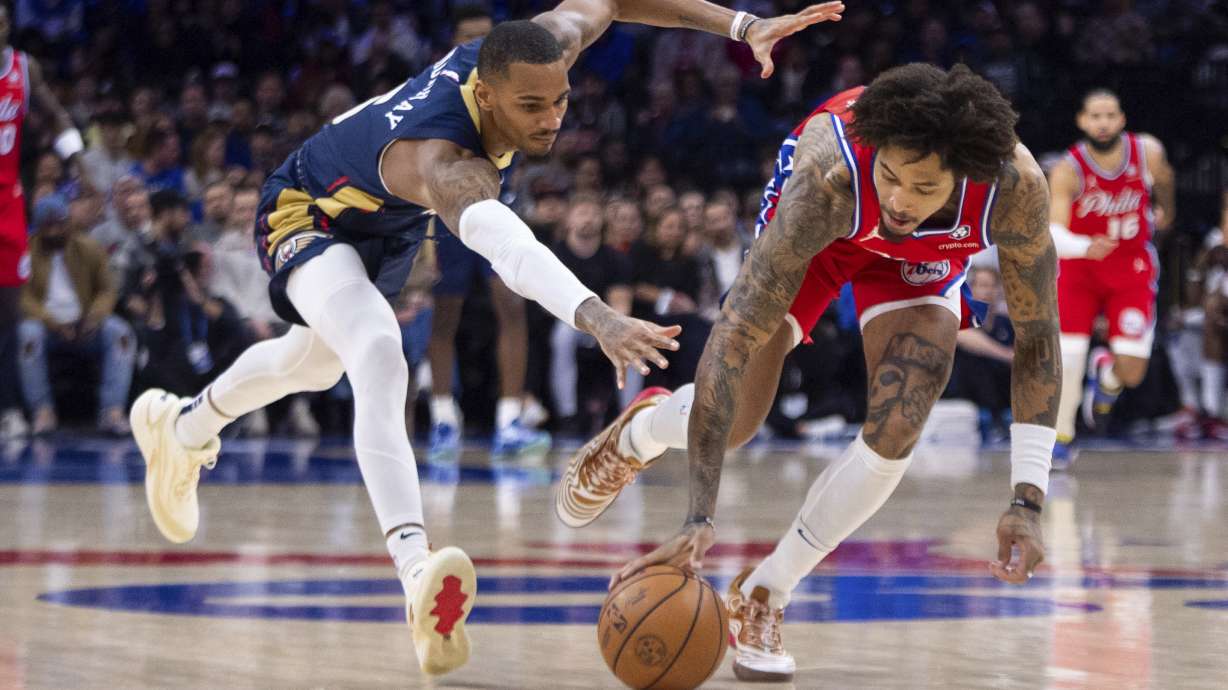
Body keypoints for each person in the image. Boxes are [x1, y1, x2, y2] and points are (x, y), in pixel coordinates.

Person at [126, 0, 845, 677]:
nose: (552, 118)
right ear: (488, 94)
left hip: (388, 222)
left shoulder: (540, 49)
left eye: (560, 100)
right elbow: (508, 246)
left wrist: (742, 23)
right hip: (310, 210)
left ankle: (183, 424)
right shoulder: (446, 158)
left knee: (314, 363)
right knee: (375, 350)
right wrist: (595, 315)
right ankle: (415, 573)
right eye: (531, 107)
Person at [557, 63, 1059, 682]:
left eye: (923, 187)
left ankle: (768, 591)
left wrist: (1027, 498)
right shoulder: (829, 177)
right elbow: (734, 336)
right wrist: (698, 519)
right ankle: (644, 429)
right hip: (827, 232)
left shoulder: (1016, 187)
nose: (901, 200)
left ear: (965, 174)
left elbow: (1038, 338)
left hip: (919, 262)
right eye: (893, 175)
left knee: (904, 416)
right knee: (739, 421)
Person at [425, 7, 547, 461]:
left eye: (484, 40)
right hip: (447, 210)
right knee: (444, 315)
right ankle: (442, 418)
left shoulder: (511, 88)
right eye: (469, 40)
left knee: (513, 307)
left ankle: (510, 419)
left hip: (496, 204)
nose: (477, 49)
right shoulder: (438, 91)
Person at [1047, 89, 1174, 464]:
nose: (1102, 123)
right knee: (1068, 358)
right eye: (1094, 116)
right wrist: (1084, 246)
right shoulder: (1068, 168)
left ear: (1121, 119)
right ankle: (1062, 435)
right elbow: (1055, 232)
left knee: (1132, 371)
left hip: (1131, 267)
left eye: (1109, 115)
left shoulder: (1148, 152)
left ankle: (1106, 377)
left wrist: (1164, 210)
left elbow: (1166, 181)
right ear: (1082, 121)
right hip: (1081, 267)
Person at [0, 2, 87, 438]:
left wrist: (77, 159)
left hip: (7, 203)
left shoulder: (22, 67)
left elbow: (56, 115)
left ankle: (9, 409)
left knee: (10, 316)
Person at [19, 195, 135, 435]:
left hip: (86, 324)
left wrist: (94, 318)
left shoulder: (88, 247)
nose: (53, 232)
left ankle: (112, 411)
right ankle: (43, 411)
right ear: (39, 228)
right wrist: (52, 323)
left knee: (120, 333)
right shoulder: (26, 253)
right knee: (27, 335)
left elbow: (106, 289)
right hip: (47, 327)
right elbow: (24, 297)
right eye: (47, 226)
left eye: (58, 224)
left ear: (67, 222)